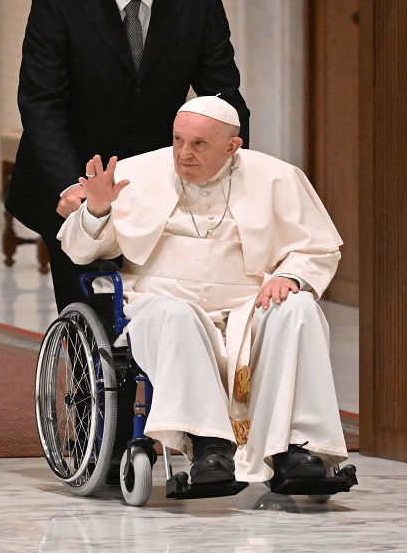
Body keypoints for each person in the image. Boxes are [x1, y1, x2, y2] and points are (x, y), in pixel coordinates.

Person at [57, 96, 347, 484]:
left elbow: (317, 248)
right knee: (175, 314)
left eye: (198, 144)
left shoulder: (277, 177)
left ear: (232, 146)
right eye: (178, 140)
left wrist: (290, 276)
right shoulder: (135, 173)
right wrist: (97, 210)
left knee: (299, 308)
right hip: (161, 299)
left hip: (249, 304)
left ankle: (295, 449)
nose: (183, 154)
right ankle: (210, 446)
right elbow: (81, 251)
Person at [6, 0, 250, 314]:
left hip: (158, 181)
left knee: (157, 307)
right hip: (72, 177)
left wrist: (232, 169)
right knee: (91, 311)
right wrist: (71, 188)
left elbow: (222, 95)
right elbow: (42, 103)